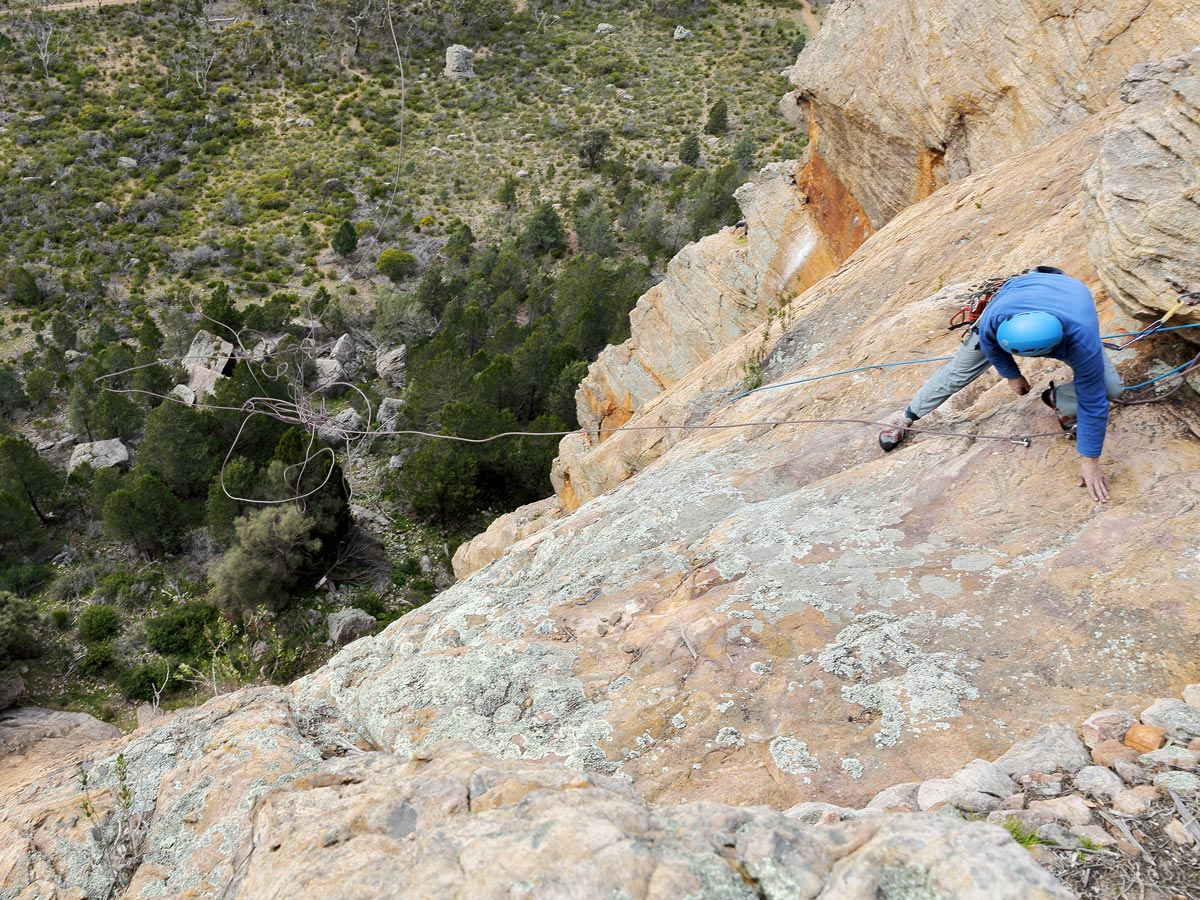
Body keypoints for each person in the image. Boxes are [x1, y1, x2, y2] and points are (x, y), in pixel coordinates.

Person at [878, 267, 1124, 503]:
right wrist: (1011, 374)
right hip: (1022, 294)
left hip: (1063, 300)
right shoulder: (996, 321)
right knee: (958, 371)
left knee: (1111, 389)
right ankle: (906, 416)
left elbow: (1093, 400)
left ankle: (1060, 399)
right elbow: (990, 345)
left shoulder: (1082, 339)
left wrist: (1090, 461)